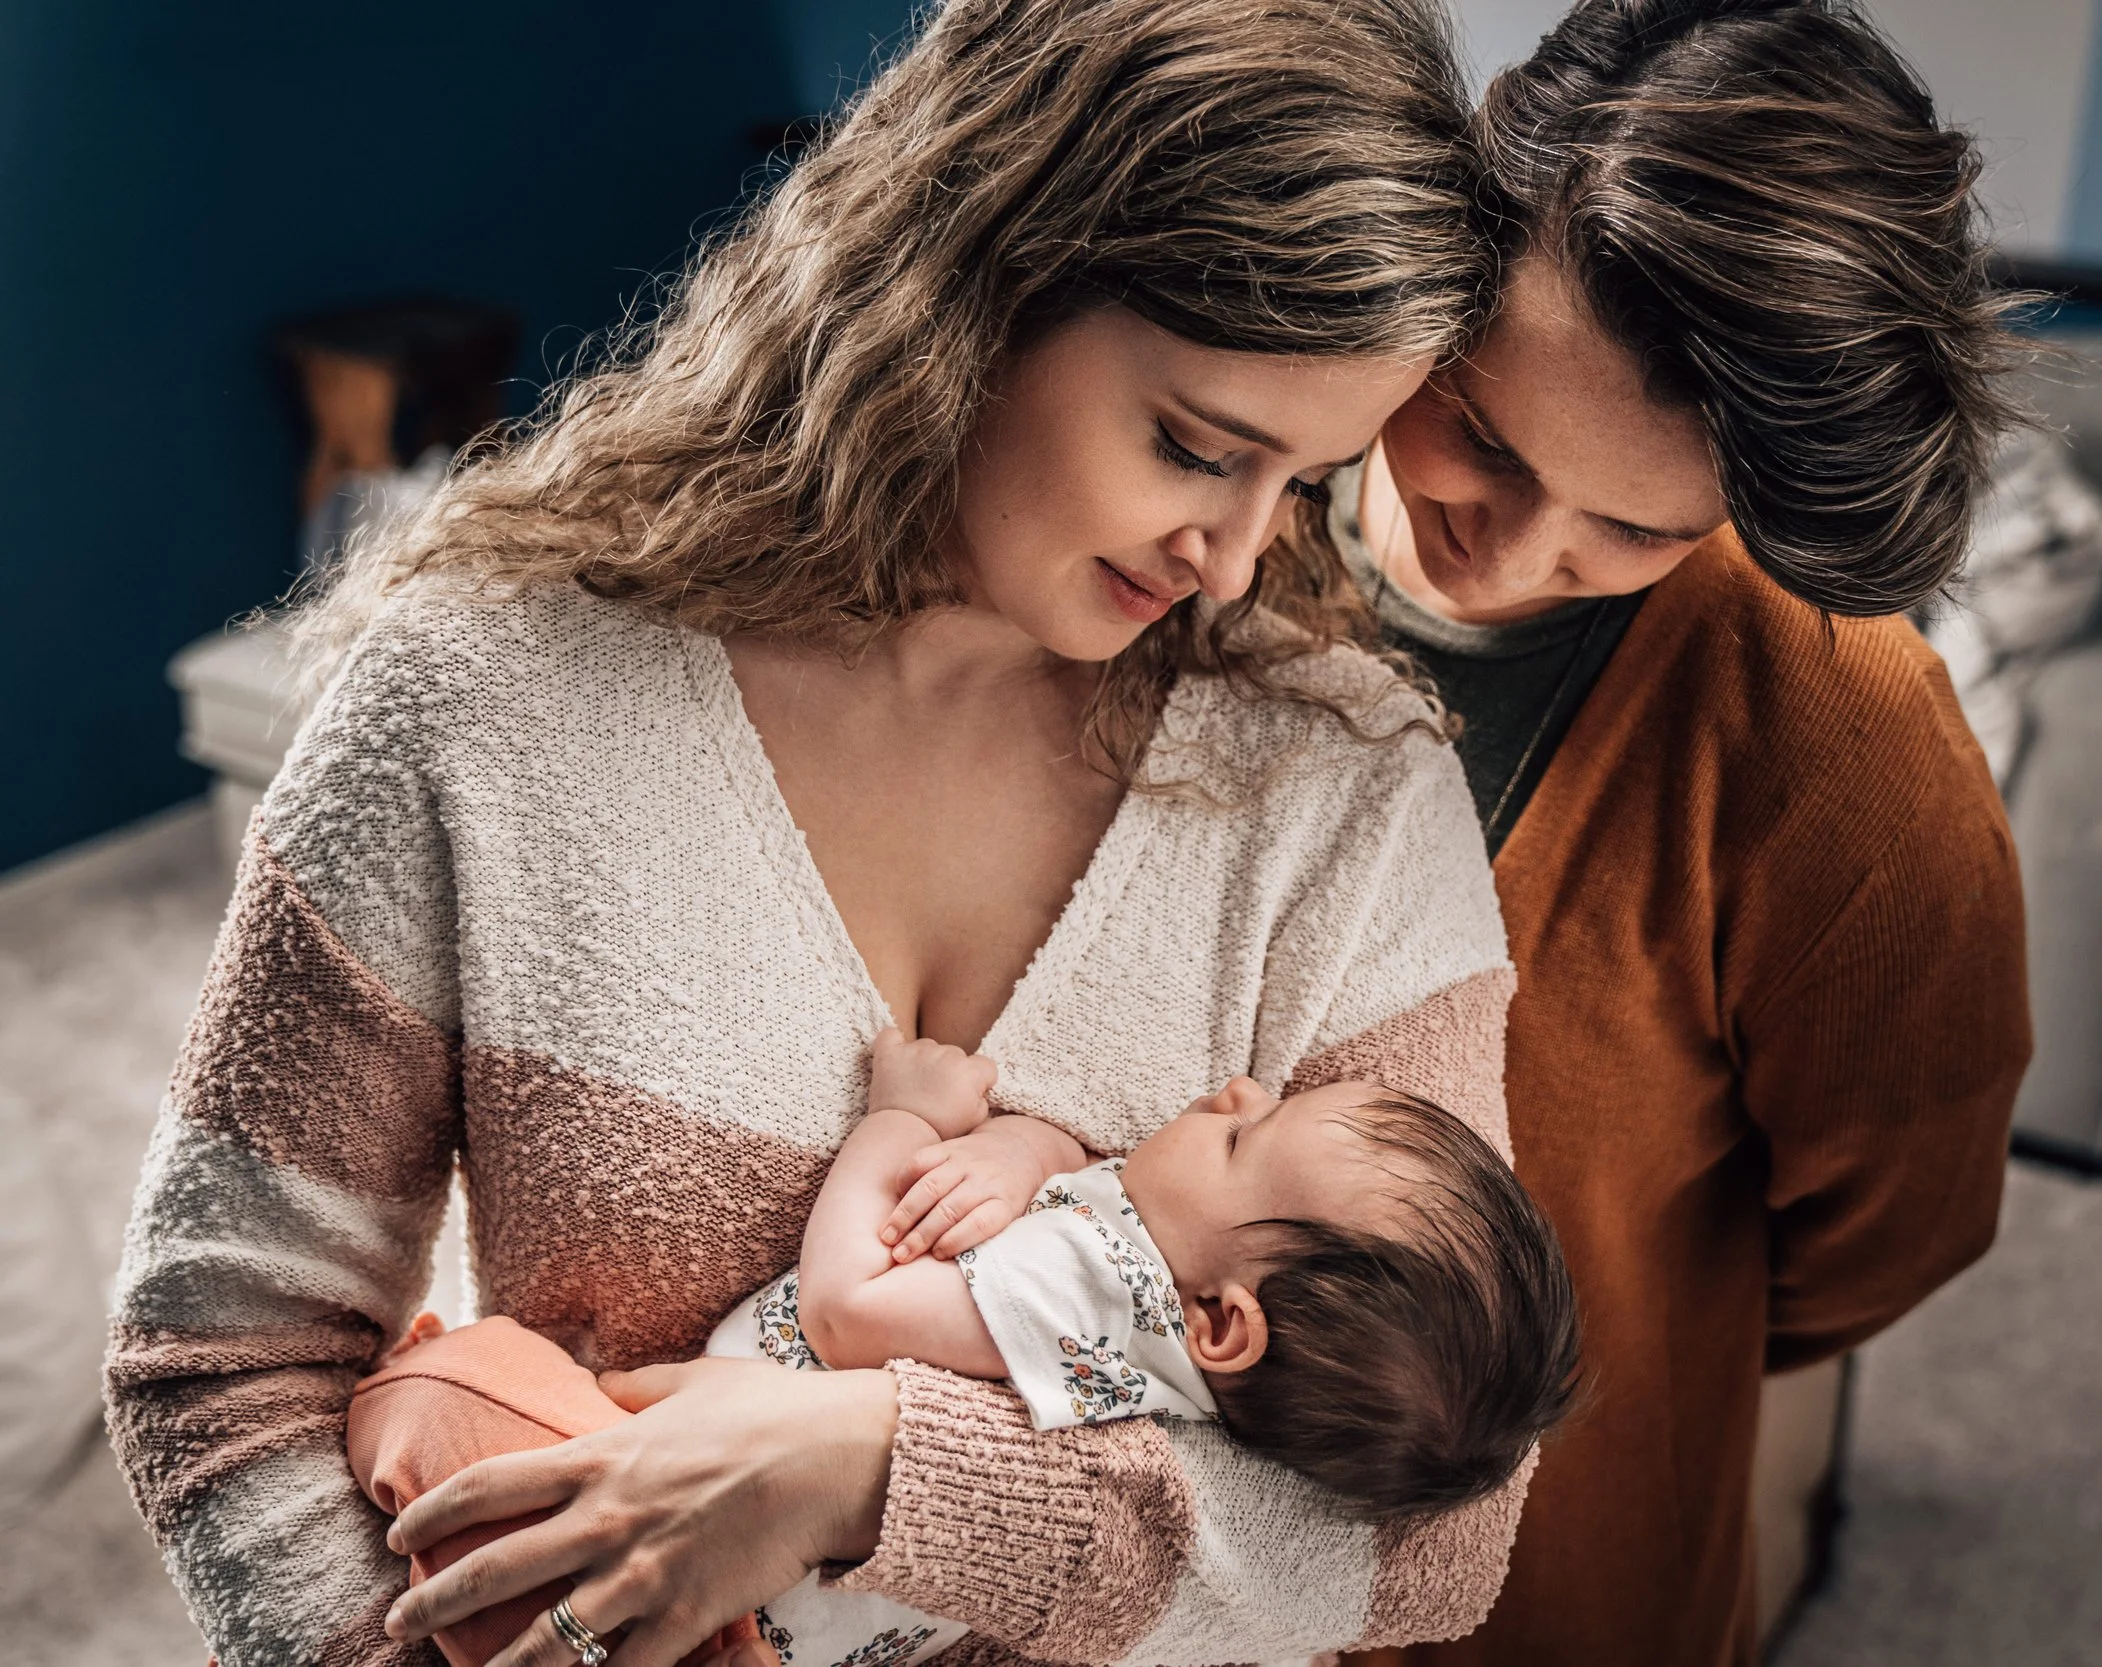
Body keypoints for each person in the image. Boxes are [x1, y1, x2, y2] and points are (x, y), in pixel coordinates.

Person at [102, 2, 1535, 1663]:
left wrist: (863, 1468)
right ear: (973, 277)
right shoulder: (484, 692)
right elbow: (222, 1365)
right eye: (1200, 448)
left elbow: (1440, 1543)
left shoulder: (1350, 788)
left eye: (1301, 483)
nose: (1230, 559)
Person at [1341, 3, 2033, 1663]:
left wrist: (1638, 1324)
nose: (1506, 557)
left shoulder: (1845, 740)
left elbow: (1891, 1221)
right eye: (1483, 435)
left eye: (1637, 525)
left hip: (1551, 1576)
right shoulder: (1218, 497)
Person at [346, 1035, 1580, 1666]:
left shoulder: (1095, 1288)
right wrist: (1025, 1150)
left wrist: (899, 1118)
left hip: (699, 1576)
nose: (1239, 1090)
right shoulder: (1152, 1352)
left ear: (1217, 1320)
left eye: (1245, 1143)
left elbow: (849, 1310)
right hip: (775, 1617)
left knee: (452, 1390)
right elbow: (1070, 1191)